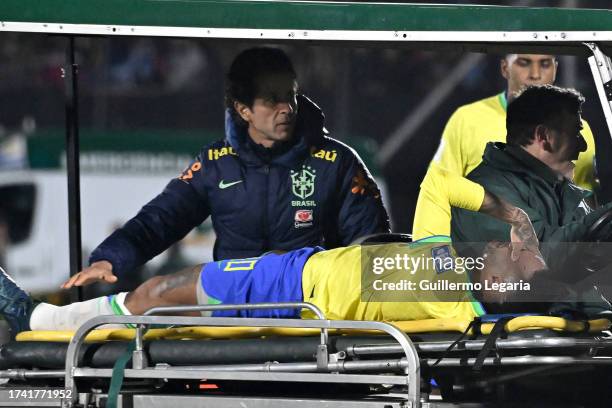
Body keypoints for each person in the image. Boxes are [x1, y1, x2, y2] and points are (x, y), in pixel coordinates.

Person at [0, 168, 544, 337]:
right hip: (299, 269)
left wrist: (535, 279)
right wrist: (512, 215)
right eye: (519, 249)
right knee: (158, 293)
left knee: (159, 296)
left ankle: (43, 318)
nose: (517, 255)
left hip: (299, 296)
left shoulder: (464, 304)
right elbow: (442, 183)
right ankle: (48, 317)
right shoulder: (435, 244)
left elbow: (529, 306)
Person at [64, 47, 389, 289]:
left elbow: (371, 248)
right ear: (243, 110)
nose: (286, 109)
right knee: (156, 293)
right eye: (272, 100)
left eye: (290, 96)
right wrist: (110, 258)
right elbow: (160, 219)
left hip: (311, 309)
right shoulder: (214, 163)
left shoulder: (338, 163)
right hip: (232, 309)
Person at [451, 85, 612, 316]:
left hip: (577, 327)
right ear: (544, 136)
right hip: (523, 336)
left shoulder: (566, 194)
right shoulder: (484, 192)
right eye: (575, 134)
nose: (583, 146)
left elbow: (592, 256)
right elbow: (540, 263)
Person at [413, 54, 597, 239]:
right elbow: (441, 186)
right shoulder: (468, 120)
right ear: (504, 68)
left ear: (556, 68)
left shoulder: (579, 130)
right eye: (524, 63)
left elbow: (584, 197)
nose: (535, 74)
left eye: (545, 64)